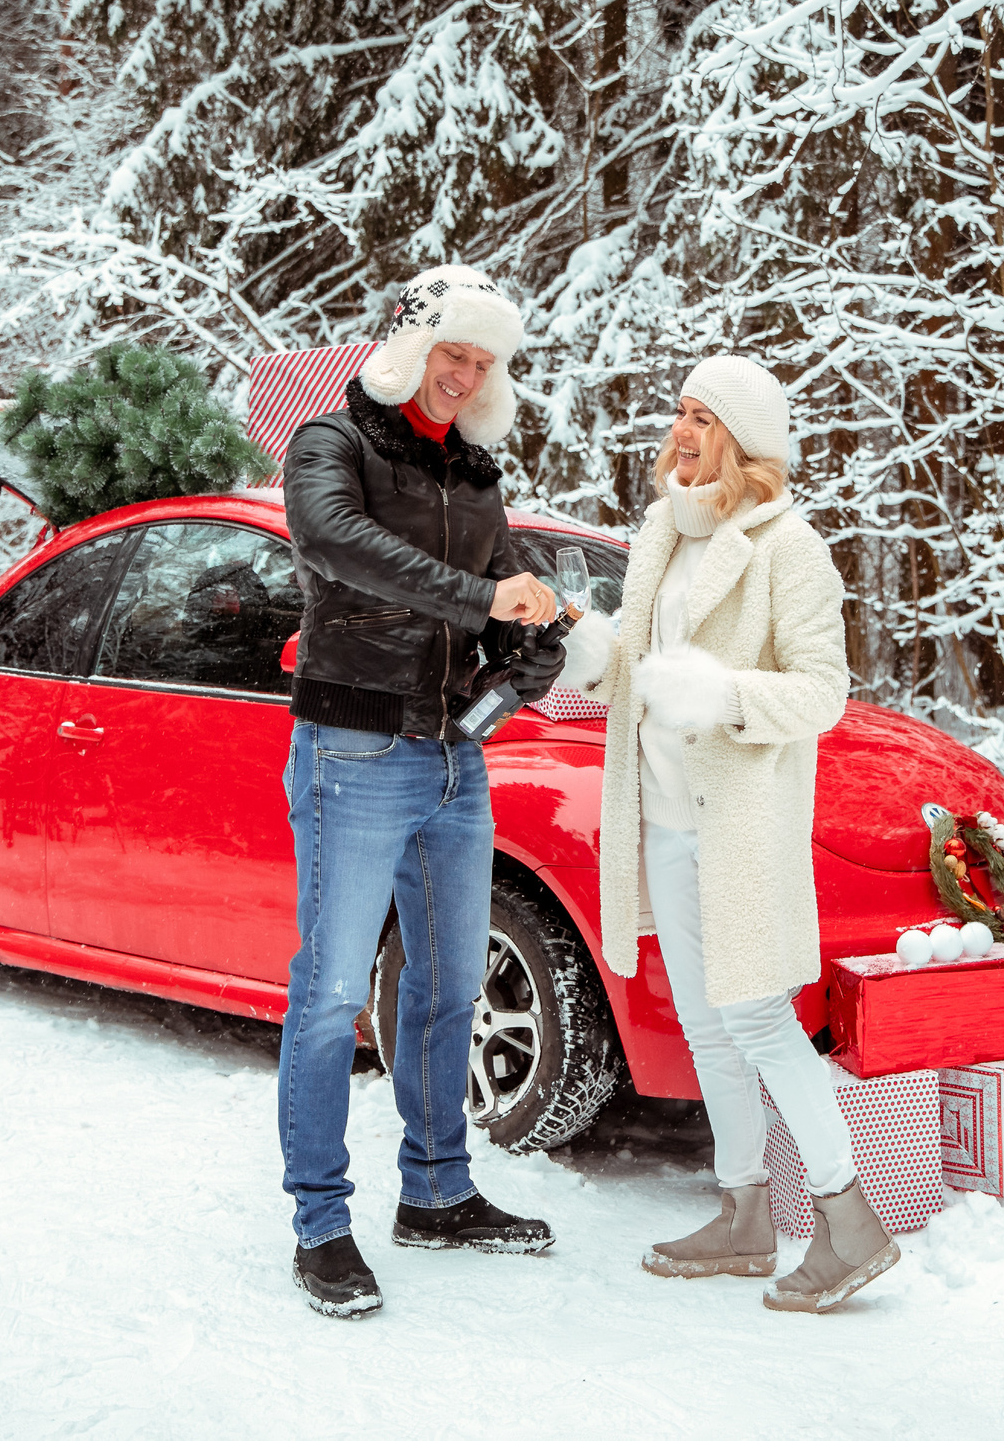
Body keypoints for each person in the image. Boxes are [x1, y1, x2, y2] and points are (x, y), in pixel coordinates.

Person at [559, 355, 897, 1315]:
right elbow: (633, 660)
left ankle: (848, 1217)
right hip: (661, 817)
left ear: (745, 440)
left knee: (757, 1017)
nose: (681, 431)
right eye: (679, 412)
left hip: (741, 823)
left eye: (702, 417)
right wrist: (587, 643)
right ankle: (745, 1212)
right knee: (708, 1025)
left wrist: (726, 696)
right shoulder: (663, 530)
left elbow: (823, 690)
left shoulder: (791, 548)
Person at [277, 265, 567, 1319]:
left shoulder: (477, 475)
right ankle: (320, 1223)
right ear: (407, 345)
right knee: (330, 1001)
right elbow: (333, 544)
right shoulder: (331, 445)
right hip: (351, 753)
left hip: (454, 760)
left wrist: (525, 649)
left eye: (484, 363)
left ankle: (437, 1192)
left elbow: (504, 612)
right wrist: (485, 592)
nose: (466, 376)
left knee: (446, 989)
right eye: (454, 352)